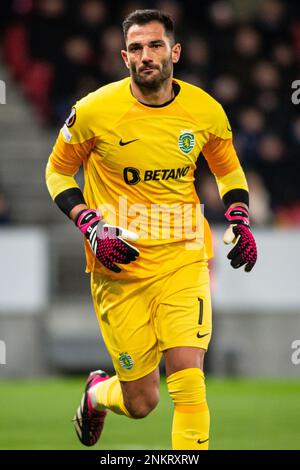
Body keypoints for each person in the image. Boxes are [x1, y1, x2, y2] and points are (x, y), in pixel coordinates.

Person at [45, 9, 257, 450]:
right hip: (118, 263)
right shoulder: (94, 111)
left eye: (155, 45)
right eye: (137, 48)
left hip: (184, 256)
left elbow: (230, 171)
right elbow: (57, 174)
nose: (147, 55)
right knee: (142, 402)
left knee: (188, 381)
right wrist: (90, 224)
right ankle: (97, 394)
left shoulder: (204, 110)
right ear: (124, 57)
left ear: (174, 51)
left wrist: (239, 216)